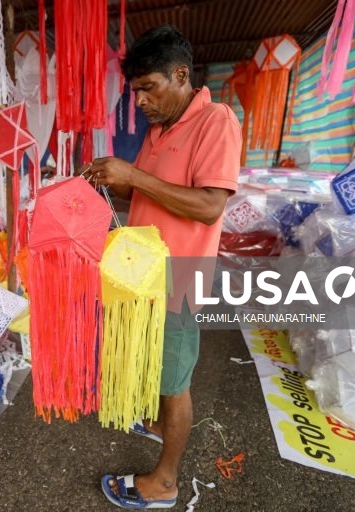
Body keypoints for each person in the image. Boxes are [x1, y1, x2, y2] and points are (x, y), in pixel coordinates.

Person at [87, 26, 241, 509]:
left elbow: (210, 205)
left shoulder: (216, 121)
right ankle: (154, 423)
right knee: (150, 357)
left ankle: (165, 485)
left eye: (148, 89)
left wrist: (131, 175)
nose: (142, 103)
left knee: (174, 382)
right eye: (136, 92)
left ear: (180, 75)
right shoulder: (158, 130)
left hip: (179, 276)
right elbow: (145, 189)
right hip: (144, 270)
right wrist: (108, 182)